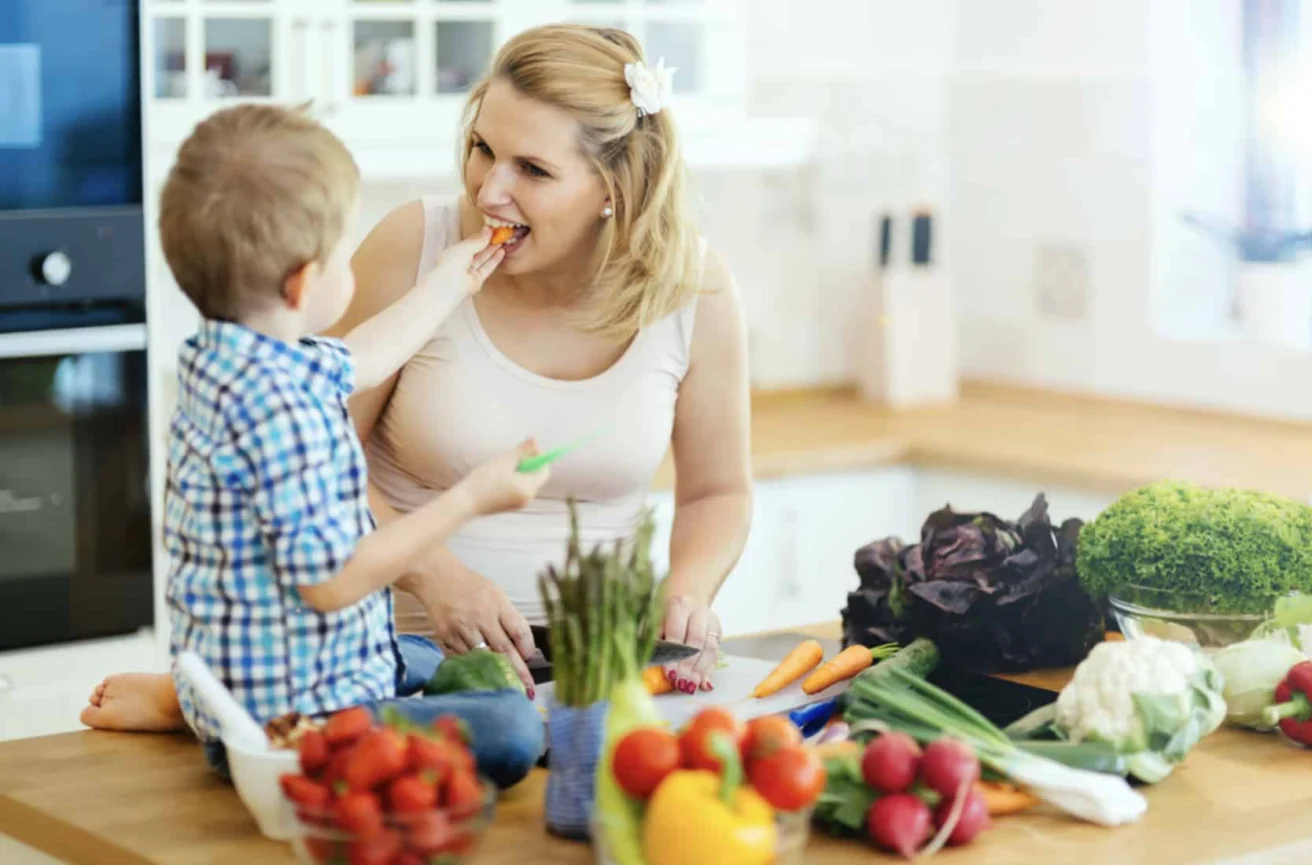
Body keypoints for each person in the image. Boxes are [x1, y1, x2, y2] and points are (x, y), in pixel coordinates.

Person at [82, 22, 751, 732]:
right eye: (482, 148)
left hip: (605, 661)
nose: (490, 188)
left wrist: (688, 594)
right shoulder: (417, 245)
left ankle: (215, 702)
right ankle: (219, 703)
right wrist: (440, 575)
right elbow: (322, 451)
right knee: (493, 733)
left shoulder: (693, 286)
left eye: (533, 169)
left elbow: (718, 491)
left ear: (613, 188)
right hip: (402, 653)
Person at [97, 103, 550, 765]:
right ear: (304, 282)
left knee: (422, 654)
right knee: (514, 731)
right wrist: (472, 497)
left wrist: (456, 276)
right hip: (296, 726)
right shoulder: (281, 411)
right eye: (346, 251)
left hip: (265, 671)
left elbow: (364, 355)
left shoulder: (233, 356)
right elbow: (334, 583)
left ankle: (187, 704)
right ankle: (211, 725)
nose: (353, 265)